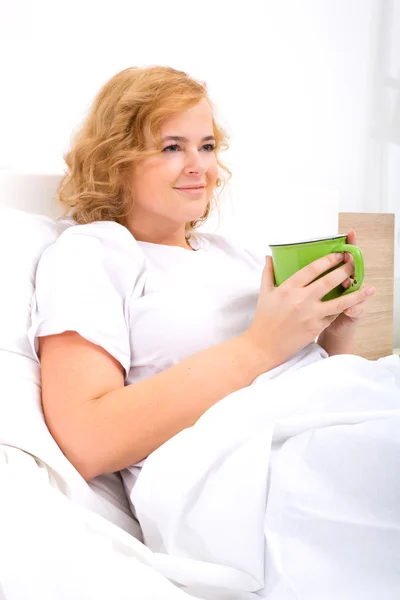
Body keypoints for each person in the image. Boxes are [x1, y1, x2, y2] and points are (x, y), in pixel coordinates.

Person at [30, 65, 374, 494]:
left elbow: (315, 384)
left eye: (207, 146)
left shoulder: (237, 254)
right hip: (248, 474)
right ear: (115, 161)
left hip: (329, 425)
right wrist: (262, 344)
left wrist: (332, 334)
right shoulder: (93, 252)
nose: (200, 167)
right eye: (173, 147)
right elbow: (85, 441)